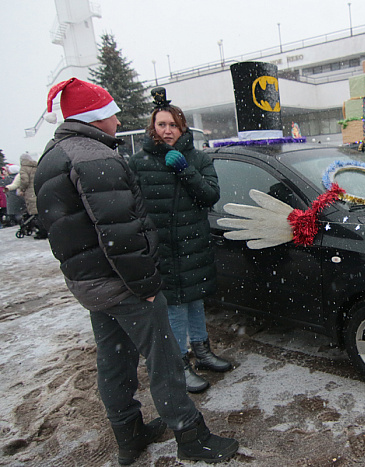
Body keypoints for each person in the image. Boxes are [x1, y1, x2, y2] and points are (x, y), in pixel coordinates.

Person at [34, 77, 238, 465]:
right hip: (124, 283)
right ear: (95, 117)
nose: (115, 118)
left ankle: (129, 434)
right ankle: (191, 436)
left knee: (113, 360)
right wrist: (145, 284)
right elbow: (119, 231)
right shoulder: (96, 157)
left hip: (91, 283)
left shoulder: (54, 155)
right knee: (164, 363)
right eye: (110, 111)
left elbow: (59, 226)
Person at [129, 87, 232, 394]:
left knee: (195, 300)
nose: (168, 130)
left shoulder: (197, 159)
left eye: (173, 125)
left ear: (182, 128)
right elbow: (133, 206)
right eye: (162, 125)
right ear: (153, 128)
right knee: (174, 306)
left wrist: (185, 170)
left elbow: (210, 195)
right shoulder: (138, 162)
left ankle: (202, 351)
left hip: (193, 243)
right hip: (161, 247)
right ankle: (180, 363)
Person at [4, 152, 47, 238]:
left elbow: (25, 181)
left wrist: (22, 189)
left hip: (31, 194)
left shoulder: (24, 168)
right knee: (40, 213)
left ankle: (42, 232)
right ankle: (45, 230)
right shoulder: (35, 167)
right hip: (38, 192)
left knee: (35, 214)